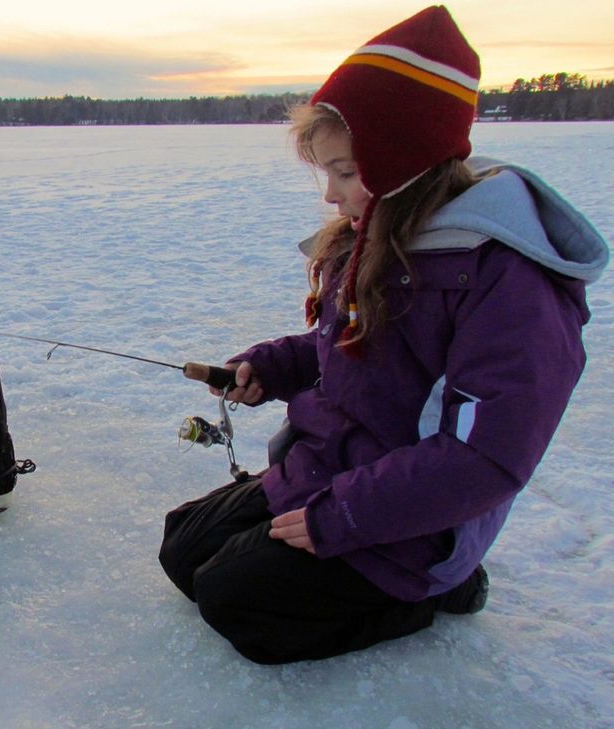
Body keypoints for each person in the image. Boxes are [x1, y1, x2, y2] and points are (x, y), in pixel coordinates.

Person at [158, 5, 609, 665]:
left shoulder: (510, 282)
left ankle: (438, 591)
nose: (333, 197)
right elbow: (354, 354)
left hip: (417, 516)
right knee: (183, 550)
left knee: (235, 600)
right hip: (337, 464)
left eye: (345, 172)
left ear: (402, 159)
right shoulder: (378, 238)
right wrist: (274, 368)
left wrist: (338, 518)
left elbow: (483, 459)